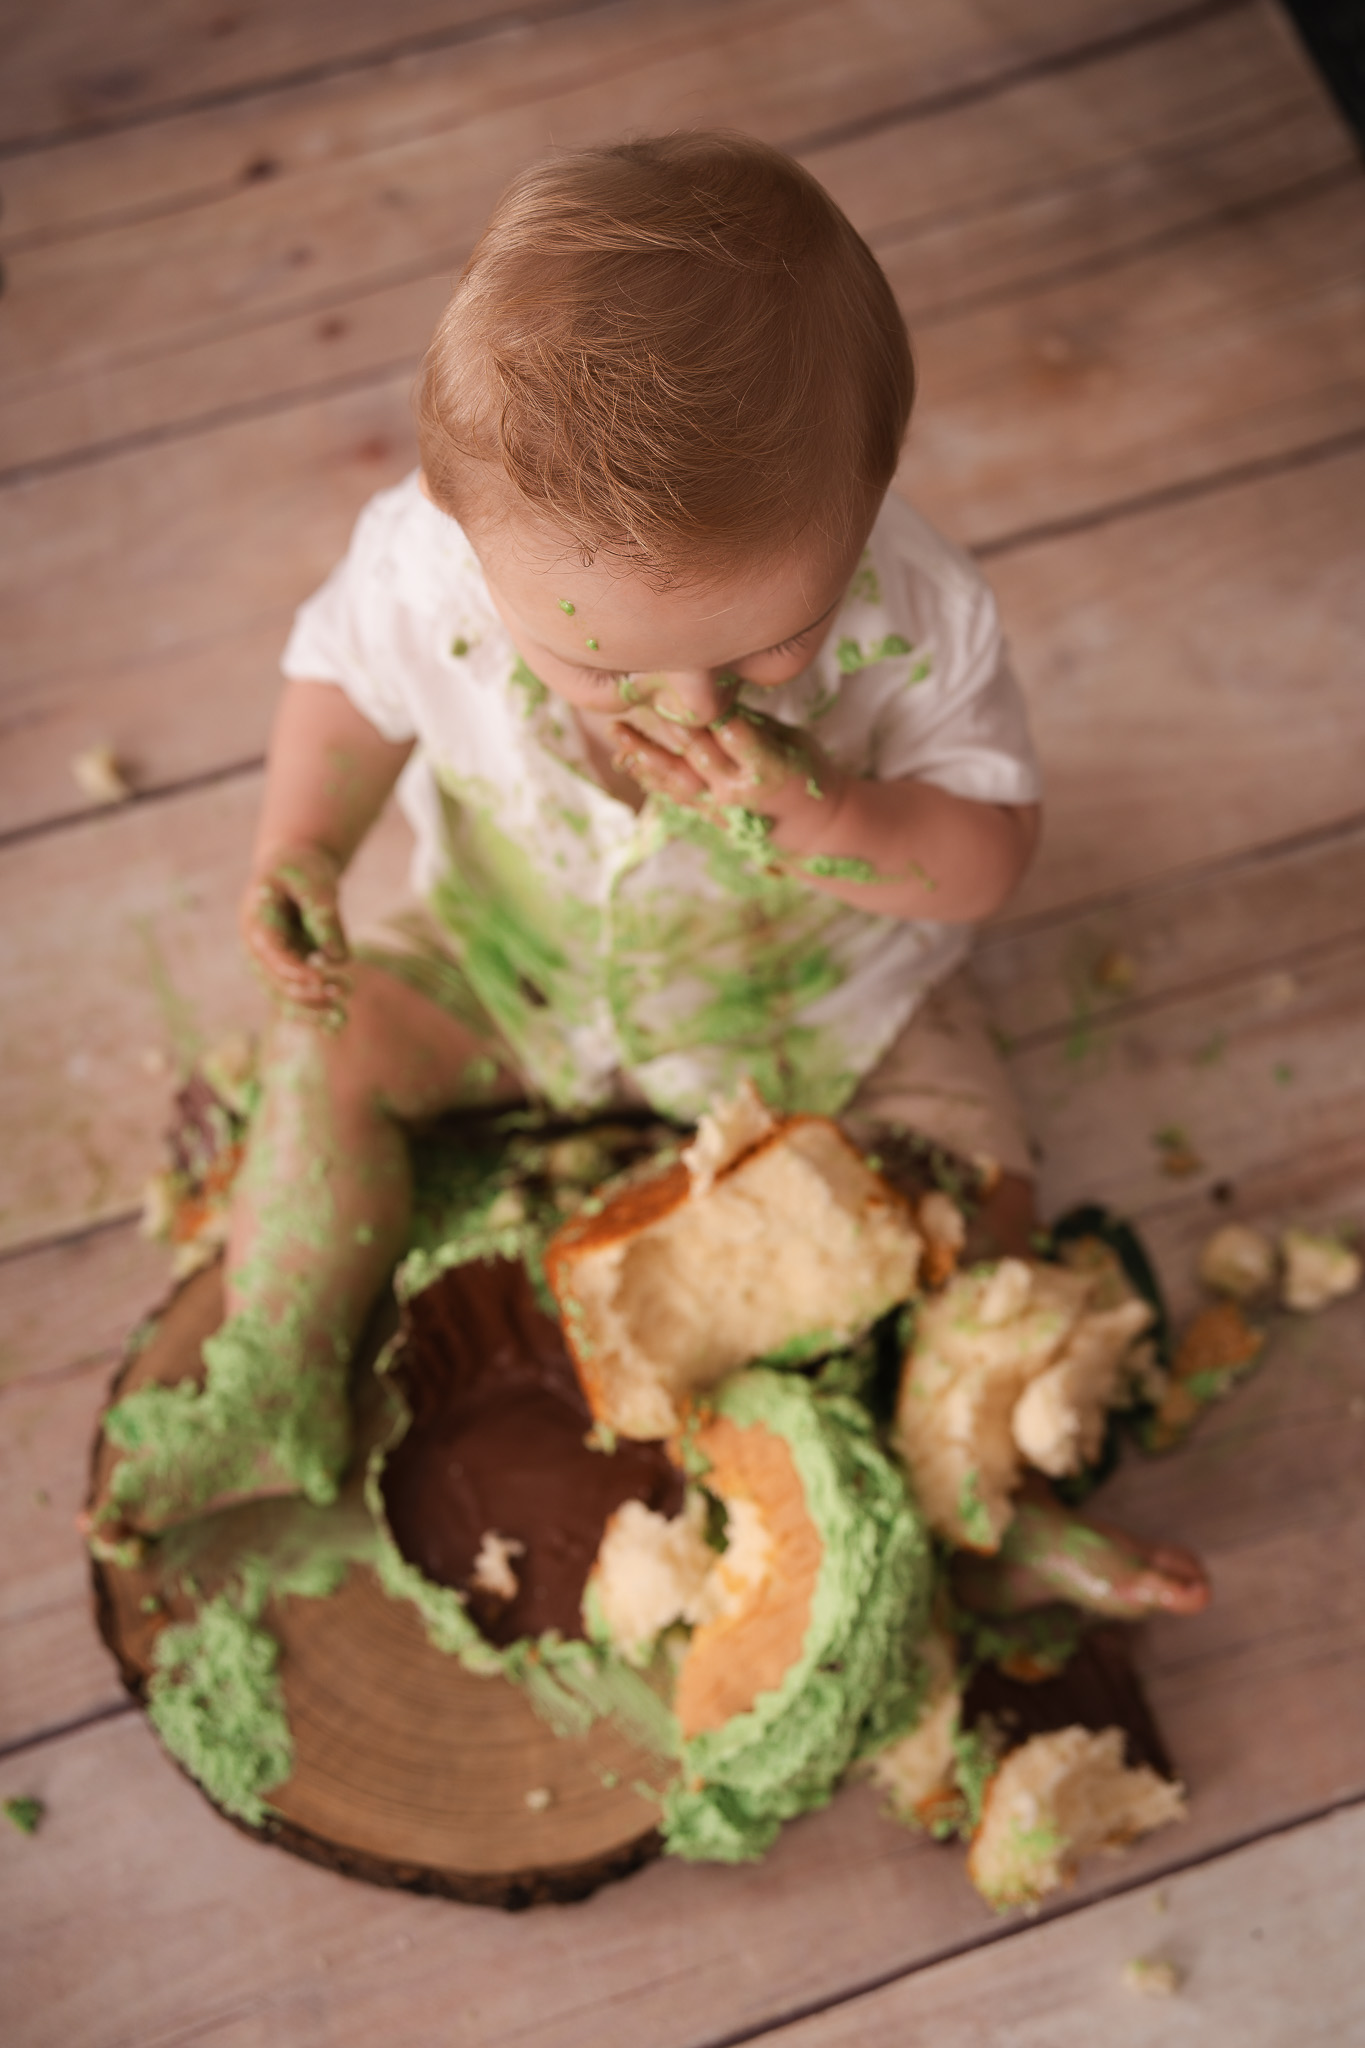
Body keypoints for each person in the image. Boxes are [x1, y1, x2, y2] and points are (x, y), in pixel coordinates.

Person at [103, 132, 1207, 1622]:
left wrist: (828, 812)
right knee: (328, 1043)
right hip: (511, 954)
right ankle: (278, 1369)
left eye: (770, 645)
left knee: (980, 1190)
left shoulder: (922, 617)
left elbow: (984, 863)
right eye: (609, 664)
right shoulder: (428, 564)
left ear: (869, 494)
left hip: (826, 1004)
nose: (694, 706)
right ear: (461, 525)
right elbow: (346, 692)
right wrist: (298, 848)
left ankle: (977, 1494)